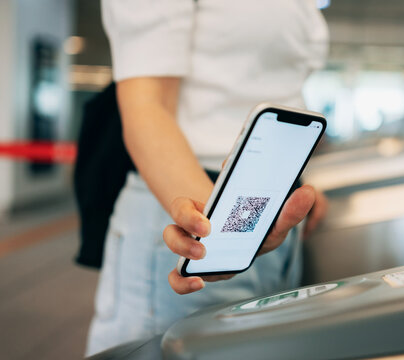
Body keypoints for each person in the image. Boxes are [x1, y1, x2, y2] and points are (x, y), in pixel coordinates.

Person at [85, 0, 329, 355]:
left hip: (260, 221)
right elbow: (146, 106)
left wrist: (292, 188)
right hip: (189, 207)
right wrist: (227, 227)